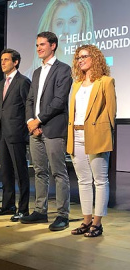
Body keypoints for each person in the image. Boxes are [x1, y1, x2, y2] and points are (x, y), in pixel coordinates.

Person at [20, 31, 72, 231]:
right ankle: (40, 211)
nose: (39, 48)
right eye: (37, 45)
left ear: (53, 46)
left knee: (59, 173)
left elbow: (59, 101)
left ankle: (62, 215)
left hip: (53, 128)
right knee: (40, 171)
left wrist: (39, 120)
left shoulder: (63, 69)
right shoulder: (36, 72)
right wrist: (31, 121)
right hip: (36, 130)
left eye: (42, 44)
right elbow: (30, 100)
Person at [67, 44, 116, 237]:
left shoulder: (106, 81)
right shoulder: (76, 84)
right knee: (83, 180)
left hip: (97, 135)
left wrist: (106, 137)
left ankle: (97, 222)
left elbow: (111, 114)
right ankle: (86, 220)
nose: (81, 60)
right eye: (78, 57)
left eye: (85, 56)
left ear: (95, 58)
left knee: (100, 181)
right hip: (77, 135)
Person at [0, 49, 31, 222]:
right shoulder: (1, 84)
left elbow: (27, 107)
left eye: (6, 60)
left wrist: (24, 130)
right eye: (1, 60)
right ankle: (8, 205)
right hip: (2, 133)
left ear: (15, 62)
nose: (3, 63)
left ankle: (23, 209)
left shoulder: (23, 82)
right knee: (5, 172)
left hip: (16, 133)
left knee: (20, 172)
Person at [26, 0, 95, 77]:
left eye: (73, 21)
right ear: (51, 27)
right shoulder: (31, 75)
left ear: (83, 25)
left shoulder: (93, 72)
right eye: (59, 23)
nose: (66, 31)